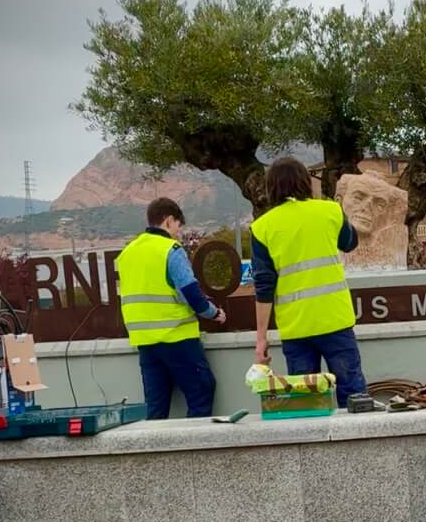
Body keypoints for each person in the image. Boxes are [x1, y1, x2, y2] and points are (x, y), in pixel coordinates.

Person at [251, 156, 367, 407]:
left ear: (272, 187)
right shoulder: (329, 211)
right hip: (335, 320)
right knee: (353, 394)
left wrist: (261, 340)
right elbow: (350, 242)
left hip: (296, 329)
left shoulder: (262, 228)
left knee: (307, 401)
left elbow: (263, 287)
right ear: (305, 182)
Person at [117, 197, 226, 419]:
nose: (178, 232)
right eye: (178, 225)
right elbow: (191, 293)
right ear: (168, 221)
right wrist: (214, 313)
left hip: (145, 342)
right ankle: (193, 451)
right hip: (177, 338)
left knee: (156, 408)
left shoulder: (128, 253)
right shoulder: (170, 250)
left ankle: (157, 453)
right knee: (201, 390)